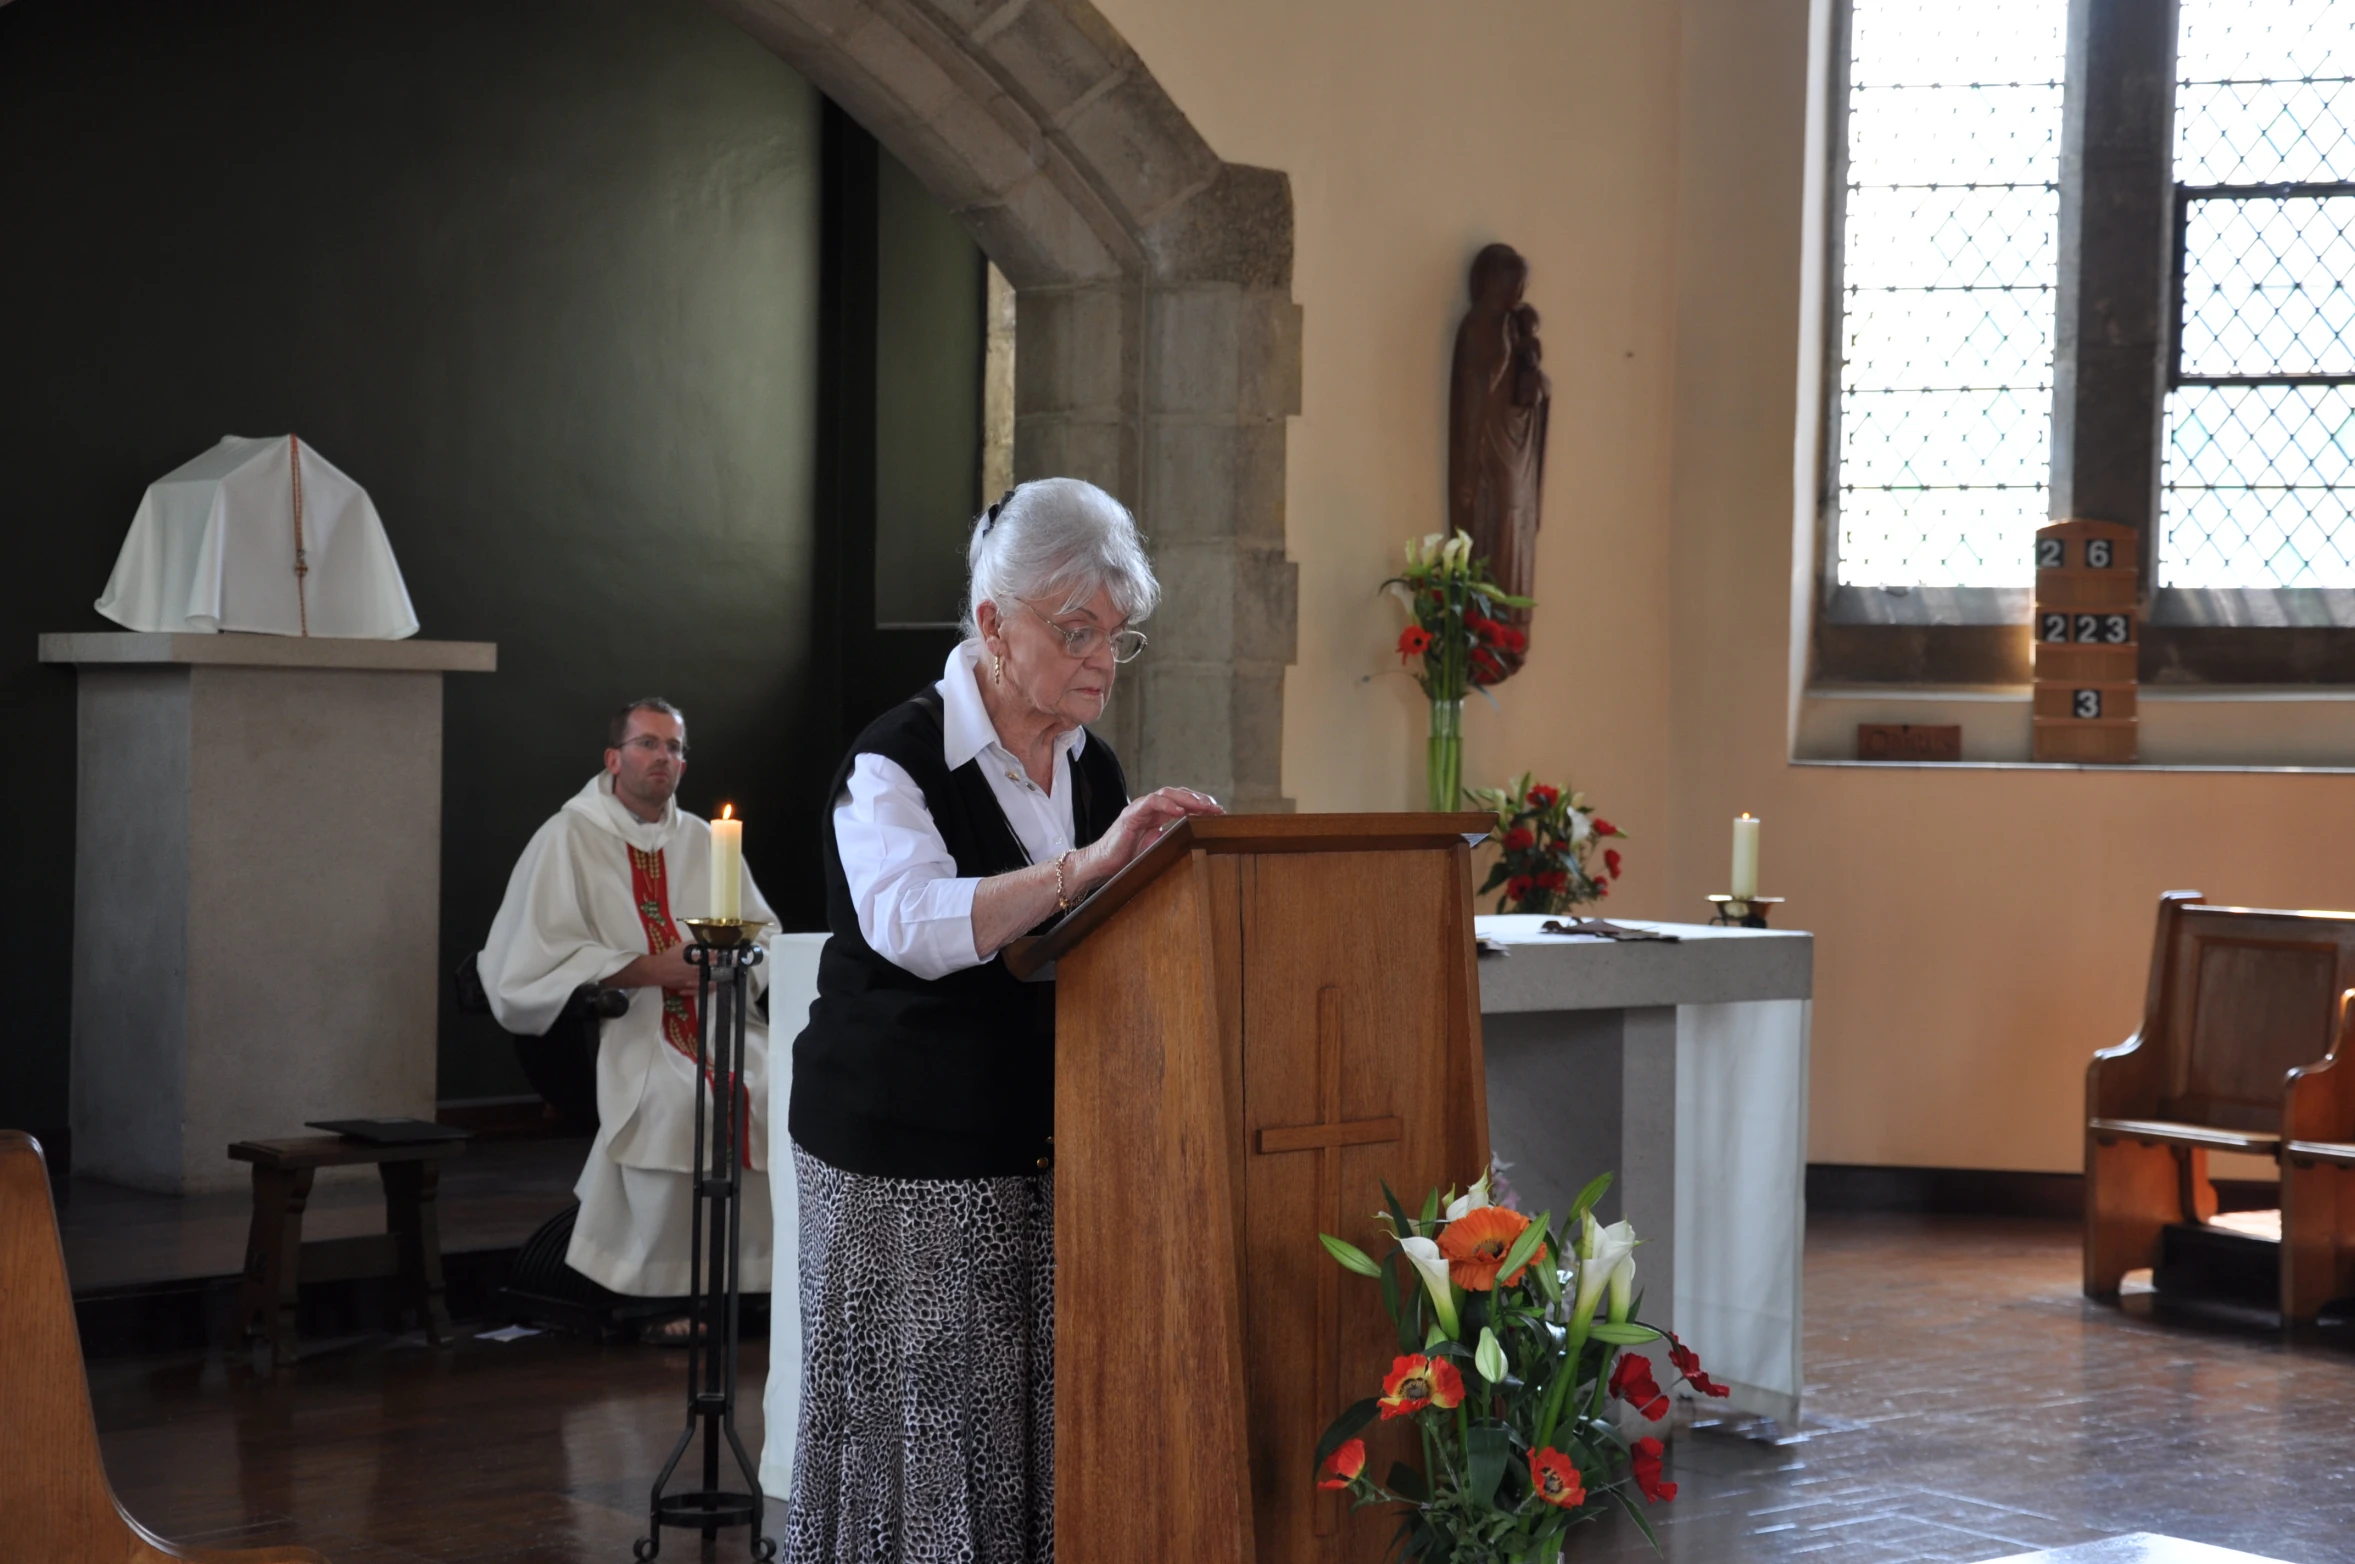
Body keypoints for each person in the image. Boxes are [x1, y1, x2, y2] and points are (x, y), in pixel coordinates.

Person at [785, 478, 1222, 1562]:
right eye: (1074, 630)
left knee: (1027, 1424)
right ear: (991, 623)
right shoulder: (894, 759)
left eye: (1114, 638)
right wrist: (1085, 867)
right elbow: (913, 922)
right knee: (925, 1435)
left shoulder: (1091, 767)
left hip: (1043, 1144)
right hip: (904, 1149)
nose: (1095, 661)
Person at [478, 698, 777, 1334]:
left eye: (674, 748)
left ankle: (757, 1280)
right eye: (647, 744)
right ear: (614, 759)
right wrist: (644, 970)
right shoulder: (567, 836)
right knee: (677, 1099)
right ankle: (658, 1293)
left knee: (777, 1086)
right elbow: (529, 957)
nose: (662, 758)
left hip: (718, 1021)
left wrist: (730, 960)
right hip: (620, 1027)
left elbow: (763, 934)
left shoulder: (701, 838)